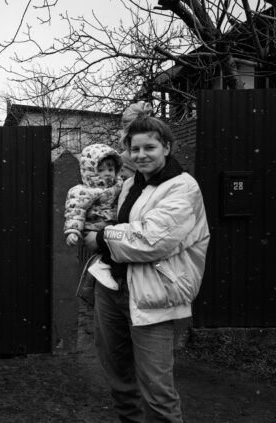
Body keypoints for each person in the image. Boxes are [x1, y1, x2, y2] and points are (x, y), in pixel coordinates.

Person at [84, 104, 210, 422]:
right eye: (134, 148)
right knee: (121, 383)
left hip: (153, 296)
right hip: (112, 289)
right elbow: (125, 227)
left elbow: (151, 240)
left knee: (158, 394)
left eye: (150, 147)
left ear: (167, 147)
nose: (141, 155)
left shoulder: (183, 187)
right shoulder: (130, 184)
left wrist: (100, 239)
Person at [64, 143, 123, 298]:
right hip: (94, 228)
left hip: (112, 226)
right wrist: (73, 231)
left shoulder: (118, 185)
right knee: (108, 249)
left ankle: (96, 275)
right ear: (90, 172)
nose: (108, 173)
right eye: (101, 170)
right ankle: (100, 269)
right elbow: (75, 211)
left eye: (110, 169)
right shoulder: (83, 191)